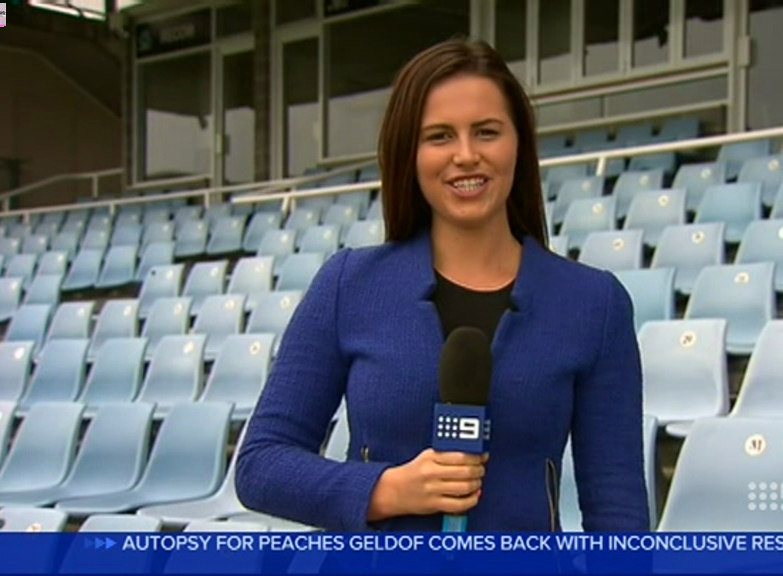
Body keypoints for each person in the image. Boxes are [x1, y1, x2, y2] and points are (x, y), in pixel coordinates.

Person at [235, 39, 648, 532]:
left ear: (518, 144)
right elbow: (261, 464)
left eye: (487, 132)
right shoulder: (349, 285)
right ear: (409, 153)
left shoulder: (594, 304)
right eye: (439, 137)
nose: (466, 155)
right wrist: (386, 490)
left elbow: (619, 510)